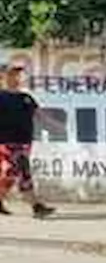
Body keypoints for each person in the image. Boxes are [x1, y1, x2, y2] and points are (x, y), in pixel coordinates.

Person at [0, 62, 54, 219]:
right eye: (11, 74)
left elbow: (40, 115)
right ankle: (36, 205)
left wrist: (54, 126)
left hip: (24, 142)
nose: (15, 77)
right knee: (19, 171)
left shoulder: (25, 98)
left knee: (11, 174)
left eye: (17, 74)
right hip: (4, 142)